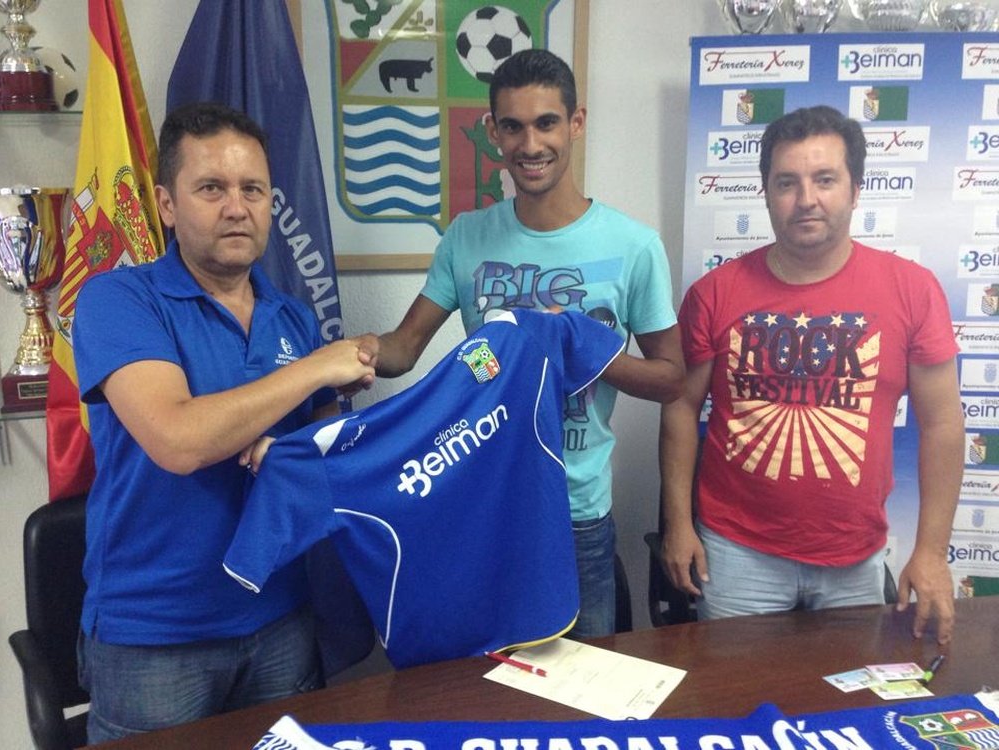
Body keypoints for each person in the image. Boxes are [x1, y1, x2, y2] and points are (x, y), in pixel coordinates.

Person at [72, 101, 374, 741]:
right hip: (155, 638)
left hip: (282, 619)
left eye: (253, 189)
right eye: (211, 188)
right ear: (166, 204)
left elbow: (327, 457)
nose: (237, 207)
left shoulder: (293, 317)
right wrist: (315, 369)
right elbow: (179, 441)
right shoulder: (117, 300)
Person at [359, 49, 685, 638]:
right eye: (512, 126)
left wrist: (585, 344)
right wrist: (335, 356)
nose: (530, 144)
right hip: (486, 499)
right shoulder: (467, 236)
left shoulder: (634, 245)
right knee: (492, 685)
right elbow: (402, 349)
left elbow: (671, 379)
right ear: (492, 132)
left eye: (546, 123)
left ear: (576, 123)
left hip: (576, 512)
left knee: (583, 699)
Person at [660, 105, 963, 644]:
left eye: (825, 179)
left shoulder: (911, 289)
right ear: (765, 192)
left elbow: (942, 423)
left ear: (856, 189)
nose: (806, 199)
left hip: (855, 558)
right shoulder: (715, 292)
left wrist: (932, 553)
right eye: (787, 182)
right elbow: (681, 406)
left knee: (839, 710)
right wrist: (679, 524)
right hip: (735, 554)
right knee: (733, 707)